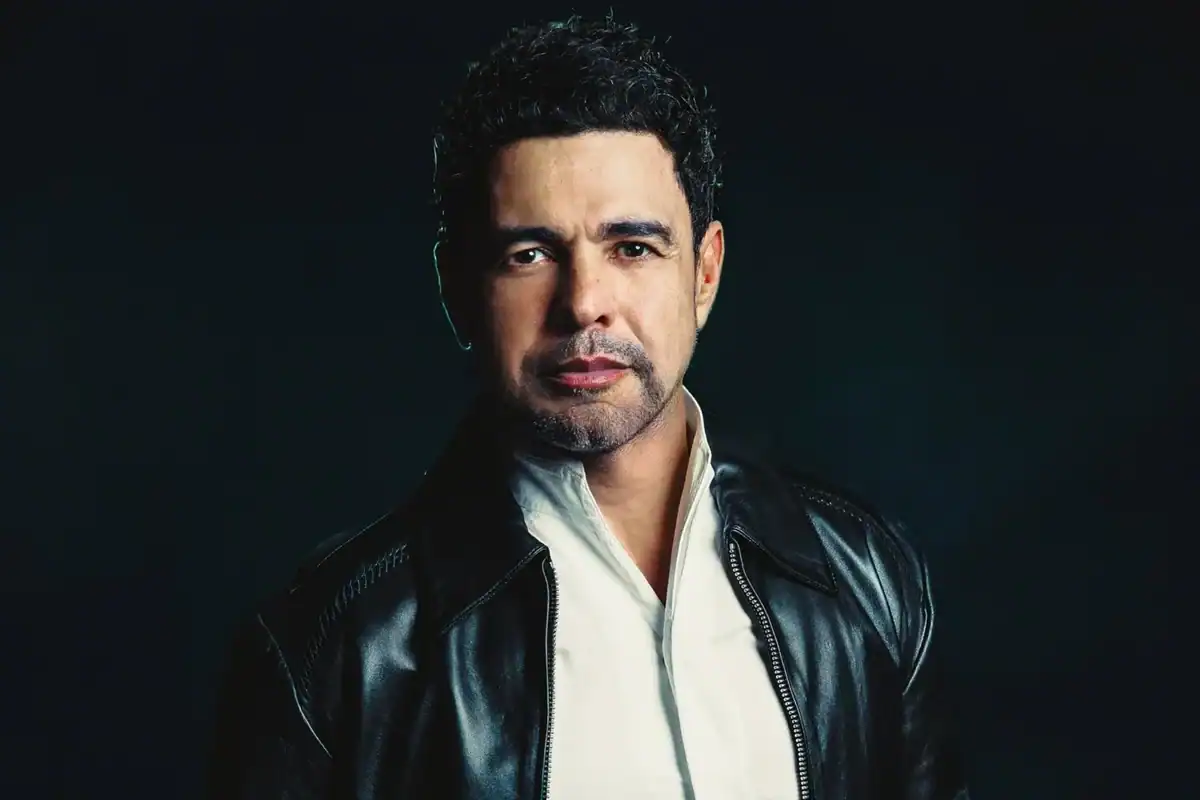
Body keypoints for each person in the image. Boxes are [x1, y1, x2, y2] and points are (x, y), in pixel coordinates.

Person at [207, 15, 970, 800]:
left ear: (704, 273)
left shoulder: (870, 578)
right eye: (529, 254)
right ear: (456, 290)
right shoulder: (331, 649)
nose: (583, 302)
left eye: (632, 248)